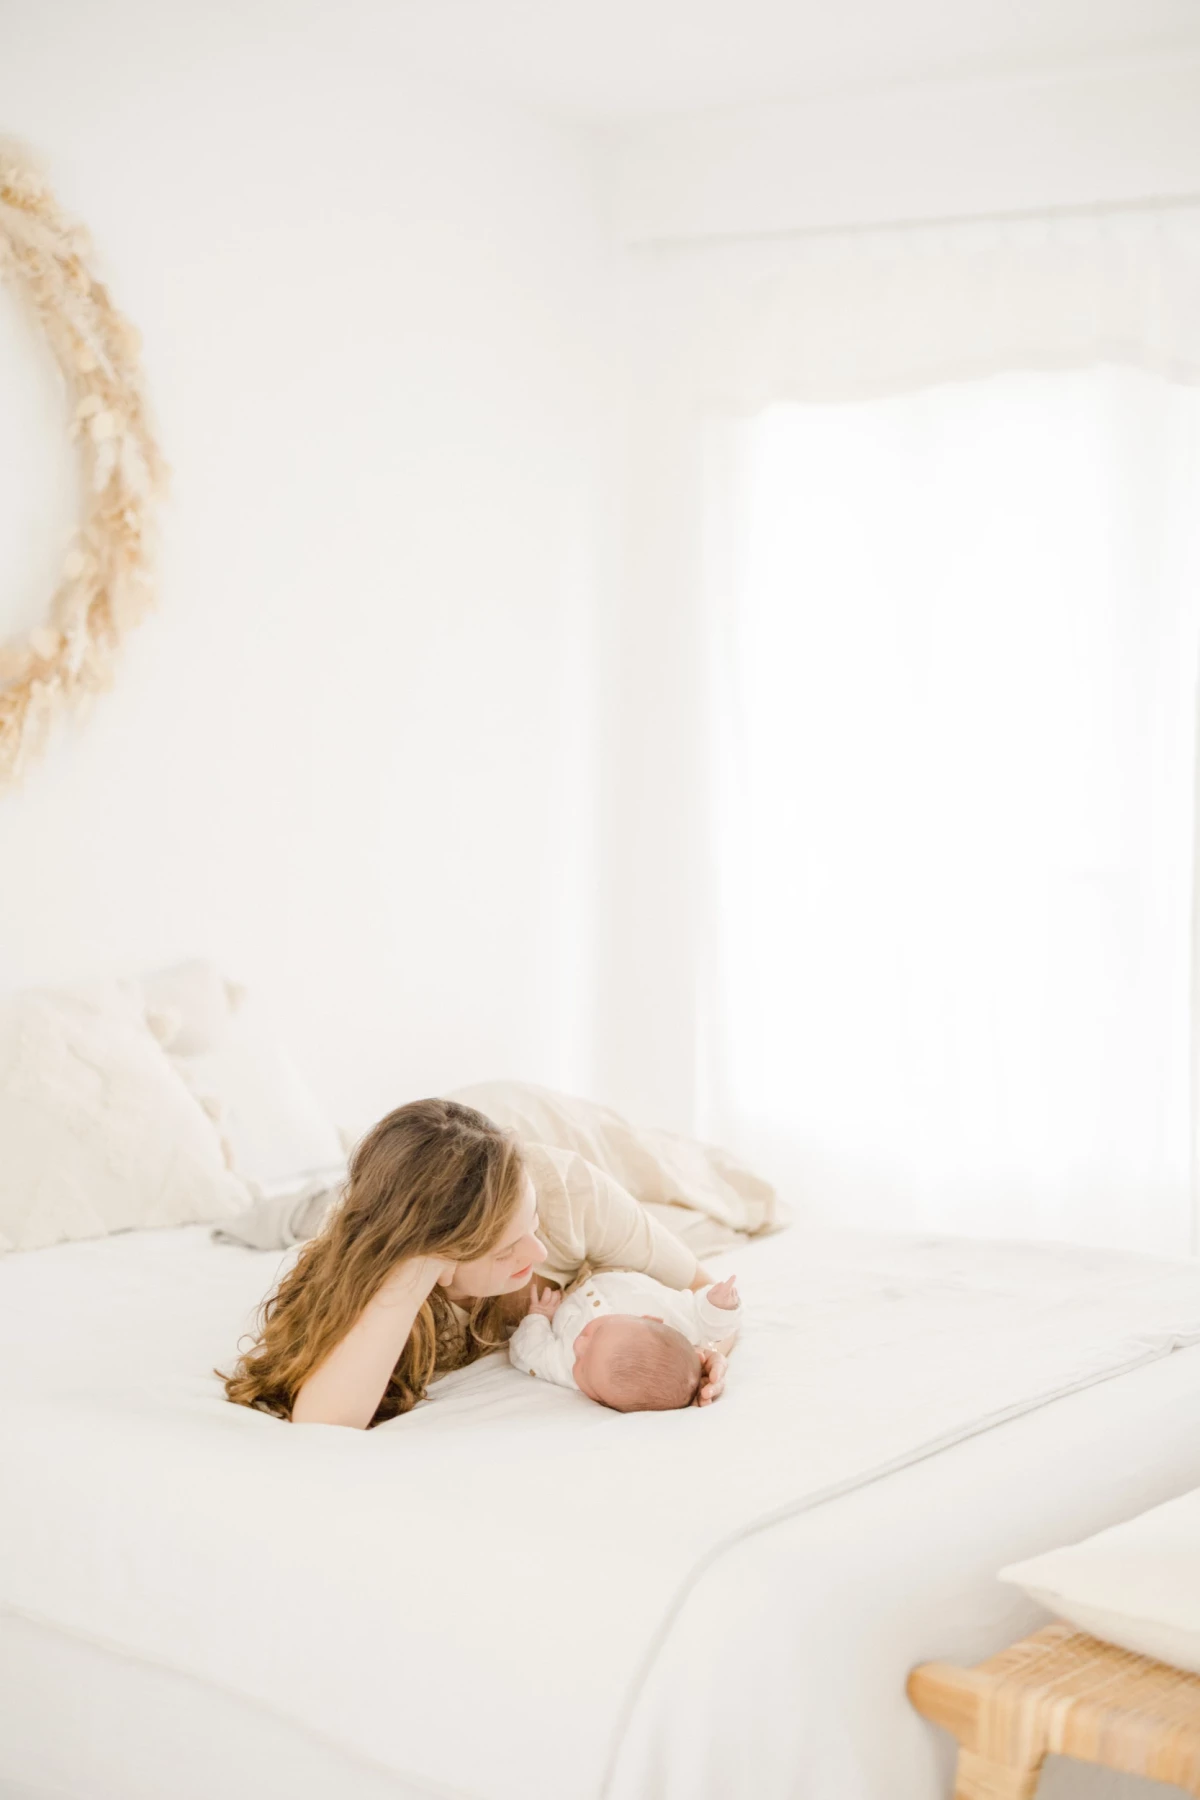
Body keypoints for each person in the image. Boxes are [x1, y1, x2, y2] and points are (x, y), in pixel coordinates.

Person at [222, 1098, 728, 1429]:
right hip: (411, 1176)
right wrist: (416, 1269)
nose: (538, 1254)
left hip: (522, 1122)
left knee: (701, 1190)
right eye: (505, 1250)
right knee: (305, 1212)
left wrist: (705, 1351)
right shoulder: (398, 1265)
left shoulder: (565, 1191)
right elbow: (324, 1424)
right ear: (437, 1255)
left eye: (530, 1227)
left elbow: (702, 1288)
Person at [509, 1272, 742, 1410]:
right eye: (598, 1331)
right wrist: (719, 1305)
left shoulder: (565, 1369)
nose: (578, 1346)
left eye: (583, 1368)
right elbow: (704, 1319)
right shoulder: (672, 1320)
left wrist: (538, 1316)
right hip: (616, 1264)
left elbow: (529, 1351)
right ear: (649, 1319)